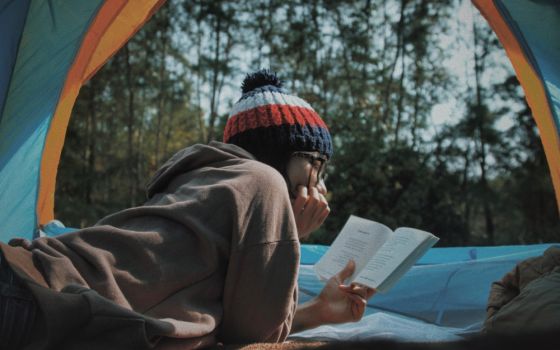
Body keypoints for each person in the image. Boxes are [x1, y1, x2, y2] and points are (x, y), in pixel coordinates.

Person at [0, 69, 374, 350]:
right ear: (281, 155)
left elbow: (234, 320)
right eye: (317, 165)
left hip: (25, 281)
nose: (322, 185)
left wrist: (318, 311)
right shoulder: (264, 182)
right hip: (34, 299)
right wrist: (291, 233)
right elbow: (257, 338)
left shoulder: (208, 182)